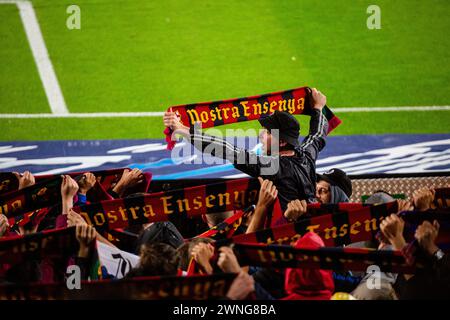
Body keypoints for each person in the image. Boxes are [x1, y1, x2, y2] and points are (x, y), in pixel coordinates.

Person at [164, 88, 328, 212]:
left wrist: (183, 129)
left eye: (269, 132)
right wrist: (318, 108)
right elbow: (318, 134)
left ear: (283, 142)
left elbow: (225, 149)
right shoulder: (305, 154)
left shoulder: (273, 166)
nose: (261, 135)